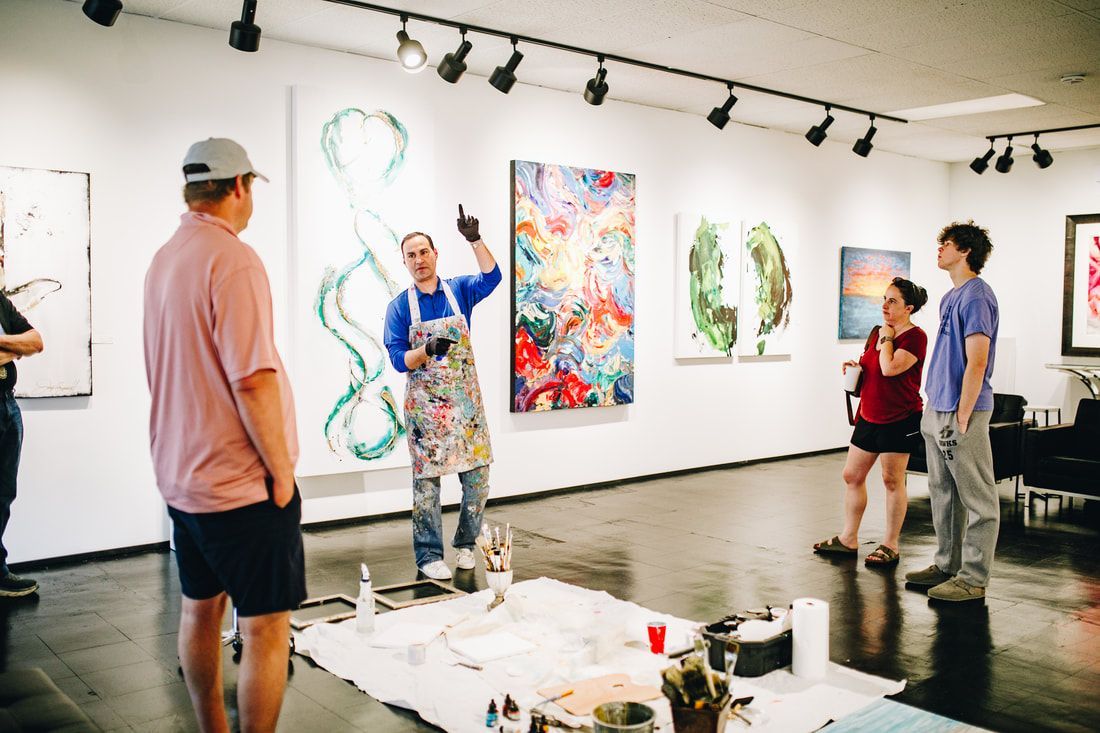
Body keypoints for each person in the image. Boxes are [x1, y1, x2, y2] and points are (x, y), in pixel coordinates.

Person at [144, 138, 305, 731]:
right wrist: (282, 473)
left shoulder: (166, 257)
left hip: (183, 478)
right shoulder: (234, 259)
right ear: (239, 186)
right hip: (240, 485)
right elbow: (254, 379)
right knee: (265, 628)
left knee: (200, 610)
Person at [384, 206, 501, 580]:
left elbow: (492, 277)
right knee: (427, 488)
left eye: (423, 252)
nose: (419, 260)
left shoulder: (460, 290)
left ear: (436, 254)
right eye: (411, 256)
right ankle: (429, 555)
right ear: (405, 263)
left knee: (478, 480)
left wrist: (475, 240)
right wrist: (425, 351)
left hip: (465, 405)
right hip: (425, 411)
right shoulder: (399, 307)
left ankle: (467, 544)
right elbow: (399, 359)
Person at [906, 221, 999, 603]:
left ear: (965, 250)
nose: (939, 249)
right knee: (942, 493)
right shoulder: (950, 298)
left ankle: (973, 578)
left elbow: (977, 362)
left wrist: (962, 414)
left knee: (977, 498)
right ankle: (947, 565)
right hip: (938, 407)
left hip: (963, 411)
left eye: (946, 243)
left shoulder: (977, 296)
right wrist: (935, 406)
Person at [815, 277, 928, 566]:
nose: (885, 306)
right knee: (852, 475)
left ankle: (891, 544)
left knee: (892, 480)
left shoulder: (915, 337)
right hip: (869, 415)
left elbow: (890, 368)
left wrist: (888, 337)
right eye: (885, 299)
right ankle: (848, 538)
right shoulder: (876, 331)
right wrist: (856, 367)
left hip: (900, 418)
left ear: (909, 308)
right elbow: (873, 366)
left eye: (893, 301)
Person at [0, 293, 44, 598]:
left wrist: (5, 347)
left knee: (3, 492)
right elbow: (23, 346)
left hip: (7, 404)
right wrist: (13, 348)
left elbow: (36, 341)